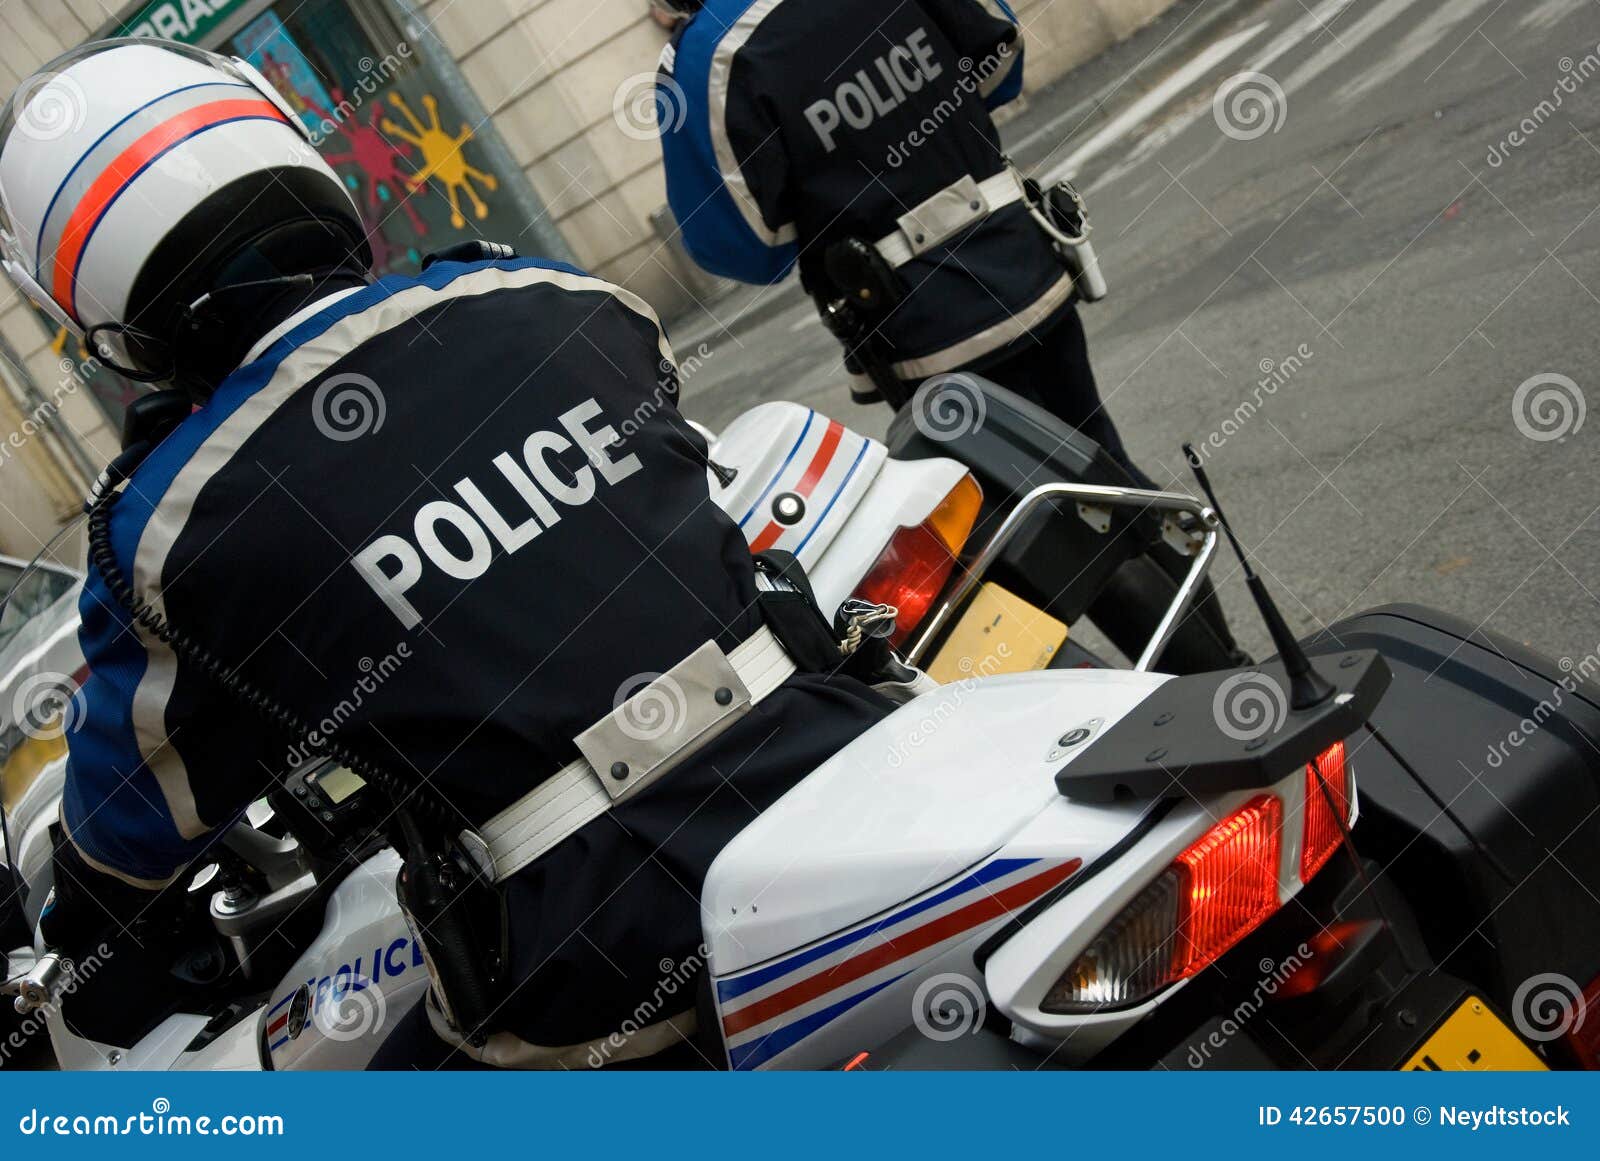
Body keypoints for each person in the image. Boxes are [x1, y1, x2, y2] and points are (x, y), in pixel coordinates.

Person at [0, 38, 890, 1066]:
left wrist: (85, 950)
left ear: (111, 323)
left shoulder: (169, 530)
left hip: (601, 941)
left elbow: (127, 841)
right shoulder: (557, 297)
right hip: (846, 756)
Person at [656, 0, 1148, 481]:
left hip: (921, 325)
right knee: (1100, 461)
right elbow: (1000, 60)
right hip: (1024, 259)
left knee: (1027, 510)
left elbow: (739, 247)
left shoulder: (704, 57)